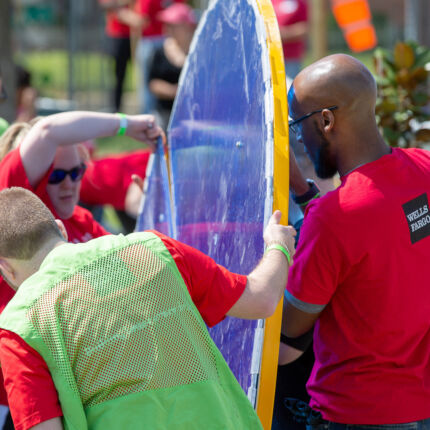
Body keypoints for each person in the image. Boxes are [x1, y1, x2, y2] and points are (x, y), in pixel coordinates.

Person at [0, 187, 296, 429]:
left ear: (6, 270)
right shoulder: (155, 249)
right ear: (61, 231)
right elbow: (262, 297)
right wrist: (278, 245)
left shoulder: (20, 325)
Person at [283, 53, 430, 428]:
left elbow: (291, 323)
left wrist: (276, 248)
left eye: (297, 125)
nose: (298, 138)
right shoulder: (422, 169)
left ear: (326, 121)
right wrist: (303, 193)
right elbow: (375, 234)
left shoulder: (334, 217)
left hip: (355, 413)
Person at [148, 3, 196, 128]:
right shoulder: (159, 52)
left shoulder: (198, 54)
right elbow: (153, 83)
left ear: (188, 27)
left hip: (193, 114)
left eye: (173, 25)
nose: (168, 29)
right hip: (165, 114)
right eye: (167, 25)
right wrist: (174, 91)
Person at [134, 0, 185, 114]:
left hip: (159, 41)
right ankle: (149, 118)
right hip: (158, 40)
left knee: (148, 88)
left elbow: (142, 20)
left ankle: (149, 117)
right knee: (151, 85)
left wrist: (123, 14)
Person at [271, 0, 308, 80]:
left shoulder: (300, 3)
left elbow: (304, 28)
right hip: (269, 57)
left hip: (290, 59)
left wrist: (280, 35)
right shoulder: (269, 2)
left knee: (288, 89)